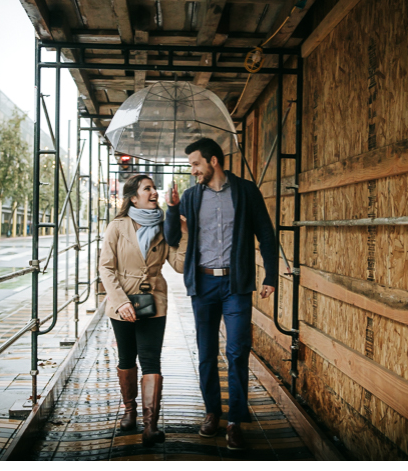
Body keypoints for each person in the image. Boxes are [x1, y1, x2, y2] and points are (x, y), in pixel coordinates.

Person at [164, 137, 278, 452]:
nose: (192, 171)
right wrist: (172, 209)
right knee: (206, 353)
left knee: (238, 351)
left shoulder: (245, 192)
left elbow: (266, 233)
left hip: (236, 285)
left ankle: (235, 421)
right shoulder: (189, 196)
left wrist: (270, 275)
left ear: (213, 161)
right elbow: (173, 236)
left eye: (195, 164)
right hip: (203, 285)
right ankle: (212, 411)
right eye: (191, 166)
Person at [99, 173, 188, 445]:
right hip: (122, 303)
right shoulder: (117, 226)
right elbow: (106, 267)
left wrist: (183, 232)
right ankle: (130, 411)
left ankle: (150, 425)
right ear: (133, 197)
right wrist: (121, 301)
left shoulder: (164, 226)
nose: (154, 193)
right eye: (147, 189)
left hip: (153, 302)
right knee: (126, 358)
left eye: (153, 188)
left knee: (151, 359)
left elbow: (180, 265)